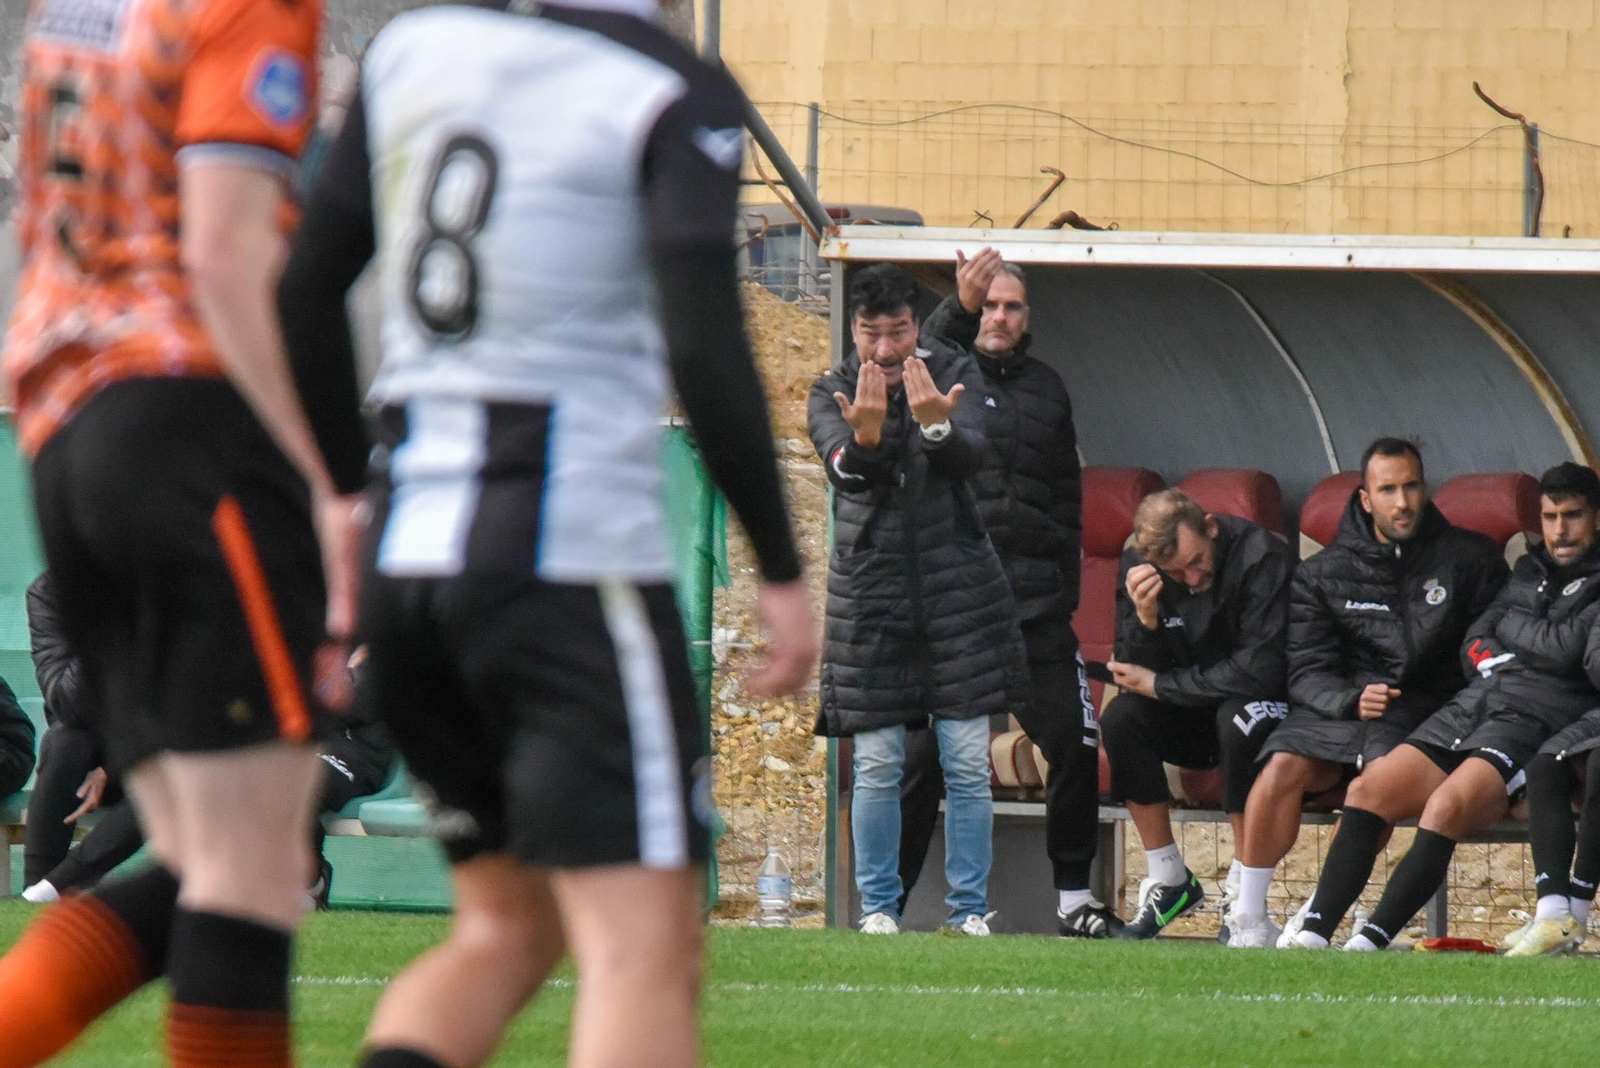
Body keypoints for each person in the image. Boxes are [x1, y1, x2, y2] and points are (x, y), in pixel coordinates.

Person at [275, 3, 817, 1067]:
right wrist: (783, 566)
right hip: (562, 561)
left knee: (506, 932)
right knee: (644, 955)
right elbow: (705, 344)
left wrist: (342, 495)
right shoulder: (669, 86)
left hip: (410, 554)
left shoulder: (414, 48)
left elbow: (302, 289)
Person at [0, 1, 359, 1066]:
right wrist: (325, 477)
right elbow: (226, 249)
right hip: (188, 430)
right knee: (254, 871)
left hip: (65, 429)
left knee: (213, 856)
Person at [896, 249, 1112, 936]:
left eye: (1009, 306)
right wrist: (954, 307)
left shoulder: (1049, 388)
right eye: (987, 305)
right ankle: (886, 907)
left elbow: (1069, 497)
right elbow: (913, 360)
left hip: (1037, 608)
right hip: (958, 606)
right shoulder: (944, 371)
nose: (997, 316)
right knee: (922, 757)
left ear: (1026, 318)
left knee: (1076, 744)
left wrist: (1066, 589)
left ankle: (1075, 899)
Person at [810, 261, 1026, 938]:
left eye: (898, 332)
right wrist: (867, 440)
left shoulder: (951, 367)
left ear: (914, 324)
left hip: (956, 595)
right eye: (871, 334)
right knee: (875, 763)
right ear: (854, 330)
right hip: (869, 601)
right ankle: (877, 909)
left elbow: (976, 458)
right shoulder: (832, 388)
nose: (885, 350)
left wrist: (935, 427)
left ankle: (967, 912)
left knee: (965, 758)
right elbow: (843, 470)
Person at [1305, 463, 1600, 952]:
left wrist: (1514, 635)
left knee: (1443, 807)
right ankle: (1312, 934)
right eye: (1549, 517)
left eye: (1571, 516)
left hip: (1535, 720)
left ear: (1596, 518)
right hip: (1474, 703)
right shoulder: (1529, 570)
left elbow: (1570, 651)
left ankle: (1369, 943)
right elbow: (1476, 640)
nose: (1559, 530)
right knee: (1367, 789)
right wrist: (1507, 649)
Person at [1226, 438, 1508, 948]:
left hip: (1423, 711)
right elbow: (1306, 669)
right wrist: (1349, 699)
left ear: (1425, 489)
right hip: (1338, 708)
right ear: (1365, 498)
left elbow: (1488, 648)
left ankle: (1316, 911)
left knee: (1379, 779)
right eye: (1388, 489)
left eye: (1411, 487)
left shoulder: (1471, 559)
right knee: (1283, 765)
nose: (1402, 501)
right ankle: (1247, 919)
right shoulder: (1323, 572)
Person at [1096, 488, 1292, 939]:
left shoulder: (1262, 557)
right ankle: (1169, 880)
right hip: (1189, 709)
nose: (1192, 576)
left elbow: (1261, 669)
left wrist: (1163, 685)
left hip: (1261, 706)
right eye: (1177, 572)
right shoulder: (1139, 568)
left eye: (1197, 560)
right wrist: (1145, 620)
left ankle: (1245, 898)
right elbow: (1130, 669)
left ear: (1210, 526)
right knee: (1121, 719)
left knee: (1237, 719)